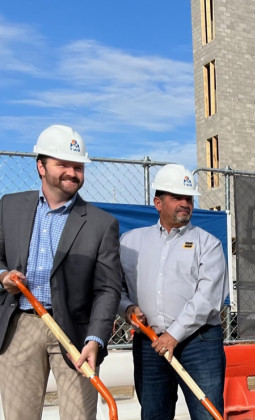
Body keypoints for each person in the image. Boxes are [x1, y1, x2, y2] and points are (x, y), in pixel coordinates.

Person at [0, 124, 121, 419]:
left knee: (79, 415)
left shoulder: (100, 223)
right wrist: (3, 276)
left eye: (78, 166)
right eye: (63, 164)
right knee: (20, 415)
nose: (72, 172)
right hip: (20, 325)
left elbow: (107, 288)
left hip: (76, 333)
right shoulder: (9, 206)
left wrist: (95, 338)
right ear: (41, 166)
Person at [120, 163, 228, 420]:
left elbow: (208, 298)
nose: (185, 203)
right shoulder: (130, 242)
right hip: (149, 342)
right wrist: (127, 308)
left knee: (208, 415)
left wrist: (173, 334)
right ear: (158, 202)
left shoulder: (208, 243)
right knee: (154, 414)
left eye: (189, 198)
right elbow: (116, 288)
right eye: (177, 197)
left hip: (200, 343)